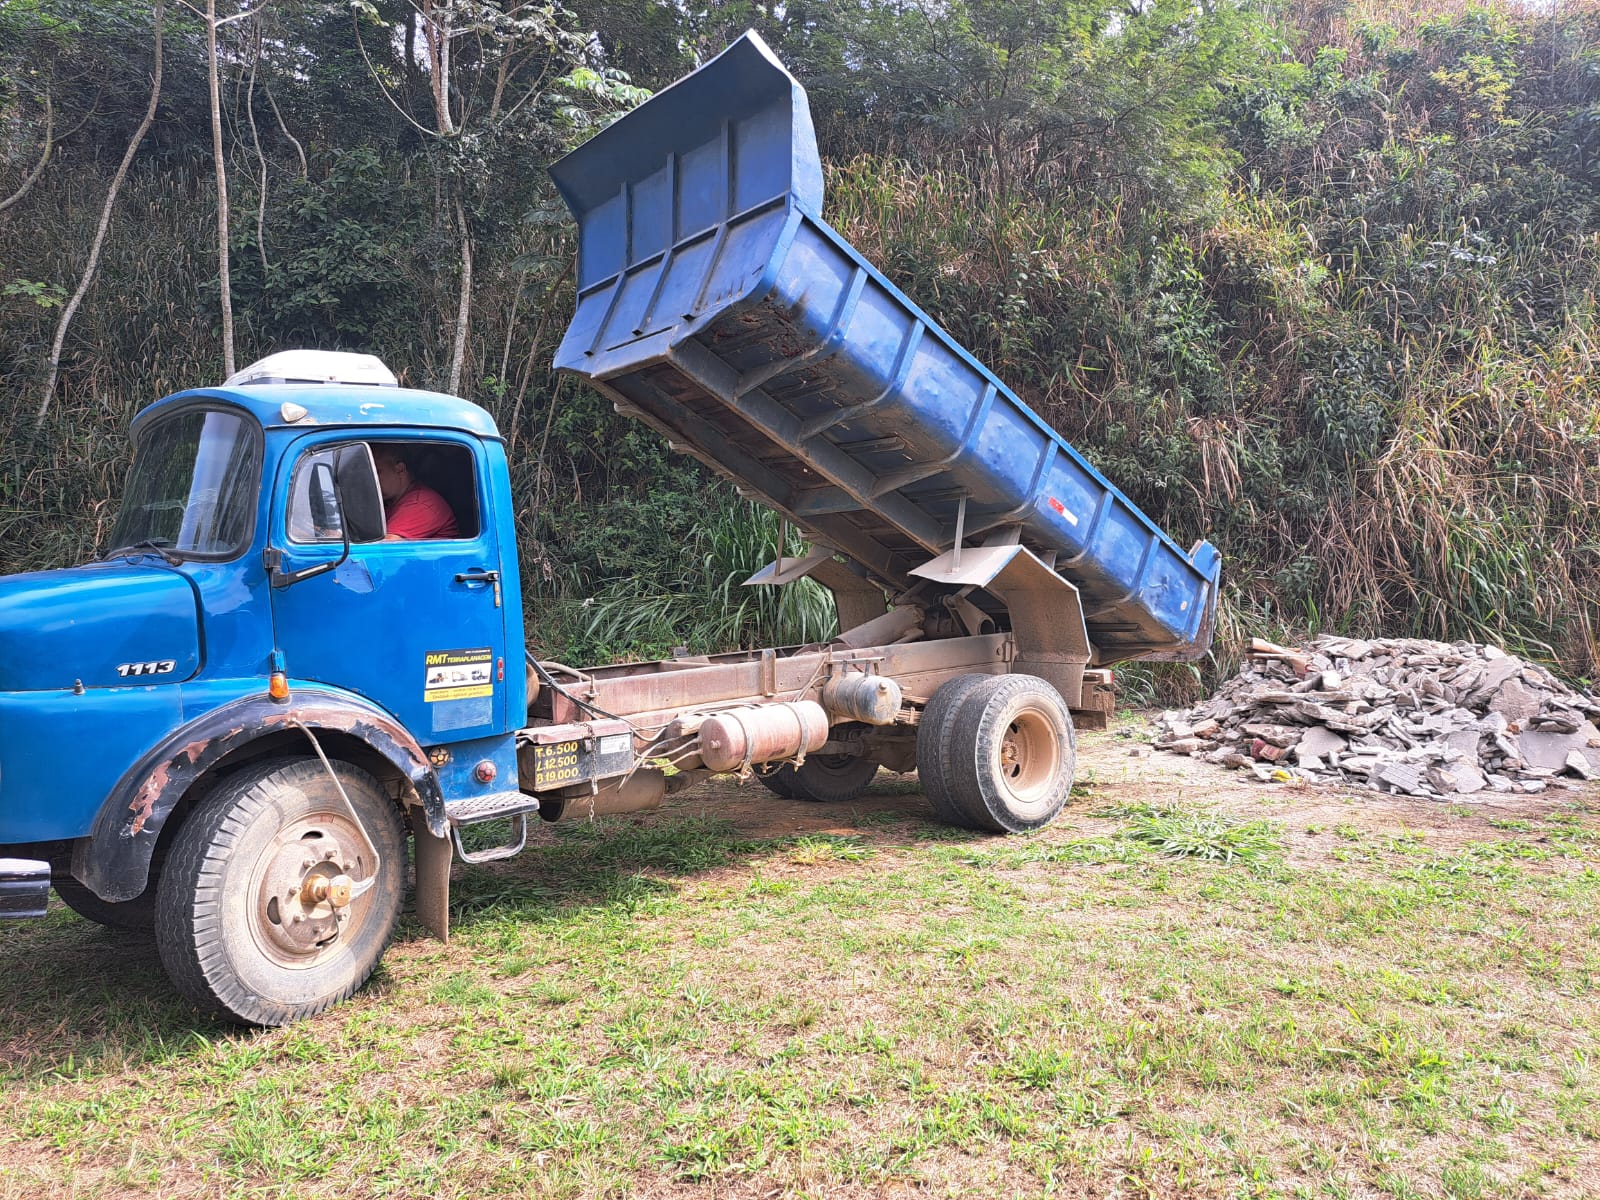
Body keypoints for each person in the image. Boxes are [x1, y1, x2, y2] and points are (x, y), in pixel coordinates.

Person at [370, 444, 460, 540]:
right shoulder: (392, 502)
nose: (371, 479)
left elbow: (384, 548)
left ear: (400, 469)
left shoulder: (421, 503)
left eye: (377, 472)